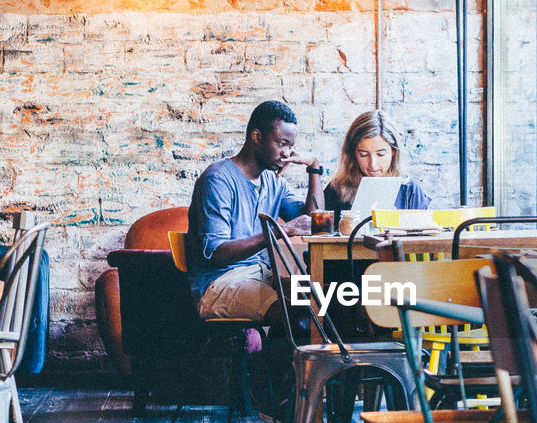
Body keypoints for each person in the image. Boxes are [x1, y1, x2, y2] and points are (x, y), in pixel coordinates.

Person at [185, 100, 325, 322]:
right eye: (282, 143)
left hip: (261, 277)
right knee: (298, 316)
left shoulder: (273, 180)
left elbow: (314, 220)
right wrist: (281, 230)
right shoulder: (218, 179)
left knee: (329, 300)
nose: (287, 153)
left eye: (290, 146)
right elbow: (216, 253)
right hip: (220, 283)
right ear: (257, 137)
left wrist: (314, 168)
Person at [324, 111, 432, 213]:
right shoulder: (338, 188)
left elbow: (425, 229)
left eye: (381, 154)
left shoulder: (409, 189)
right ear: (353, 153)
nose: (373, 164)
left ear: (393, 151)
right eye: (363, 154)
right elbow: (317, 227)